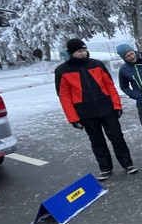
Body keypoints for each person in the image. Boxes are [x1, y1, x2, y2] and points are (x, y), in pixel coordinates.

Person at [55, 39, 137, 181]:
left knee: (117, 136)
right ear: (71, 53)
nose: (83, 53)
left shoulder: (97, 64)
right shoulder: (62, 70)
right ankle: (105, 168)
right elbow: (64, 96)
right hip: (85, 112)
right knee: (97, 141)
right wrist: (73, 118)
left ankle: (127, 164)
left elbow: (110, 86)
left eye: (84, 50)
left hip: (106, 108)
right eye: (79, 51)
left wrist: (117, 106)